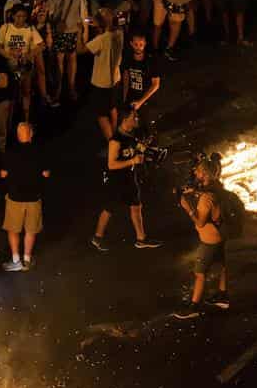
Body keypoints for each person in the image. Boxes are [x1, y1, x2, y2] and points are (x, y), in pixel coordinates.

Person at [91, 110, 162, 251]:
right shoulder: (115, 140)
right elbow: (111, 164)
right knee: (108, 209)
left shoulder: (131, 135)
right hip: (116, 181)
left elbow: (136, 148)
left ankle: (141, 239)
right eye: (134, 117)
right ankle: (97, 237)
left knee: (136, 206)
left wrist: (147, 149)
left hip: (130, 178)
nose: (137, 119)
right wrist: (133, 161)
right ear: (125, 120)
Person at [173, 157, 229, 318]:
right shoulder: (218, 188)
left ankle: (194, 307)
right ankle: (222, 296)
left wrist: (187, 206)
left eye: (197, 170)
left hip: (210, 240)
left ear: (204, 174)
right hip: (222, 235)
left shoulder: (206, 198)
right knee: (223, 266)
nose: (195, 172)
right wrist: (195, 192)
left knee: (200, 273)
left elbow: (200, 222)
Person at [0, 122, 50, 272]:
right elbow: (46, 174)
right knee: (31, 229)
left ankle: (16, 260)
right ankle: (27, 259)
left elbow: (3, 174)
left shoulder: (10, 152)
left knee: (13, 229)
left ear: (17, 135)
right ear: (31, 134)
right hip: (34, 197)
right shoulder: (40, 151)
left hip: (15, 197)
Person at [84, 7, 123, 141]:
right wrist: (100, 27)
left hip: (101, 82)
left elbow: (81, 49)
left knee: (101, 115)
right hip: (115, 79)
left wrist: (82, 30)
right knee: (112, 108)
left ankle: (113, 144)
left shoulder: (102, 39)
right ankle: (116, 134)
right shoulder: (119, 33)